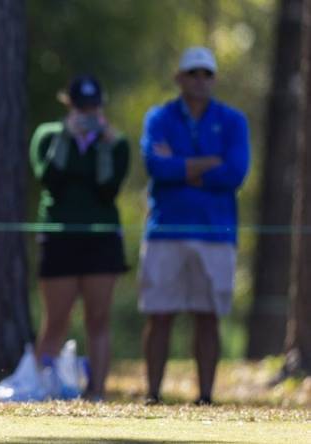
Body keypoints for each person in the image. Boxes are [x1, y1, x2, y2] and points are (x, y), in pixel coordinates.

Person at [139, 47, 249, 406]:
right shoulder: (159, 117)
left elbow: (234, 173)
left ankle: (205, 396)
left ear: (214, 79)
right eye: (193, 73)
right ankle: (152, 394)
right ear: (180, 78)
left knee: (208, 317)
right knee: (160, 315)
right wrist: (207, 164)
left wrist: (183, 167)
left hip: (215, 234)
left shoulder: (233, 121)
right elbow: (157, 167)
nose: (200, 80)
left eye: (207, 74)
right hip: (165, 231)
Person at [30, 75, 130, 401]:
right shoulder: (48, 135)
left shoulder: (116, 143)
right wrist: (65, 138)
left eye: (93, 107)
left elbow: (108, 189)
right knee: (56, 320)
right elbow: (49, 180)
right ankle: (41, 389)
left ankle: (97, 391)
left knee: (98, 319)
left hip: (101, 240)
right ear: (69, 105)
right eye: (81, 107)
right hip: (59, 237)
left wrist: (102, 147)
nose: (88, 113)